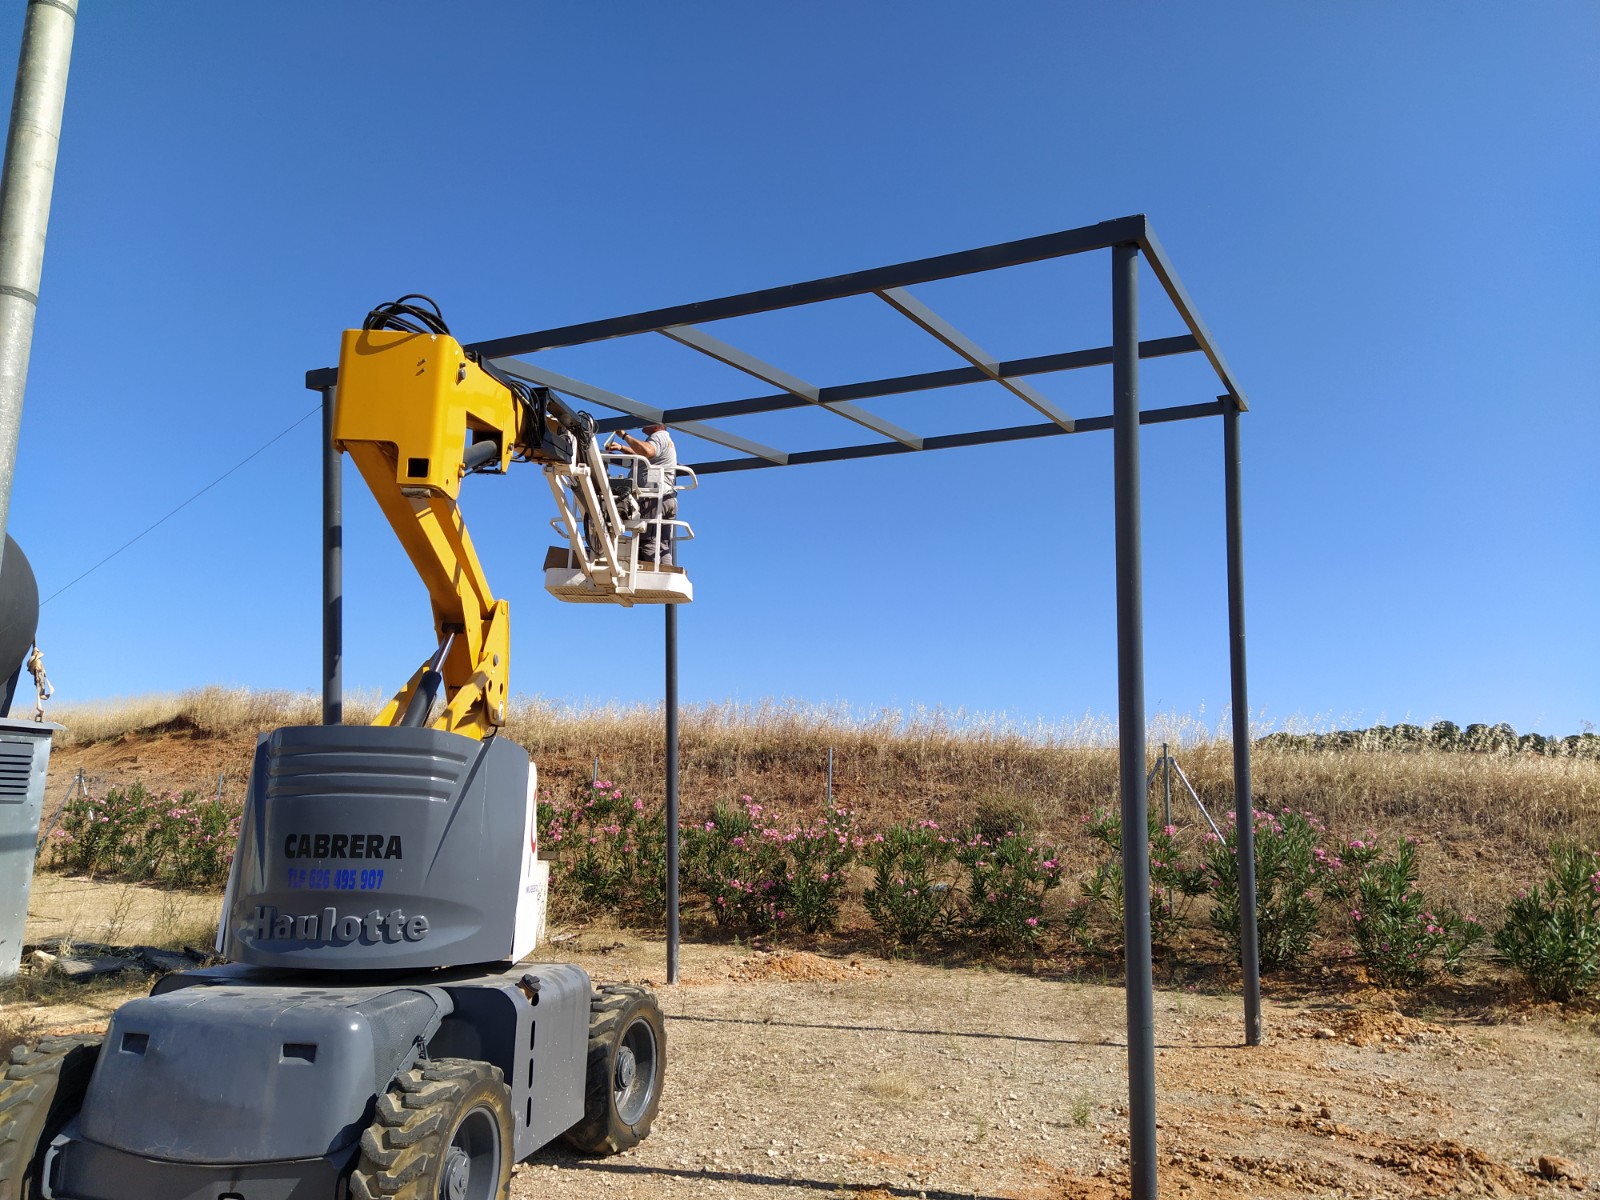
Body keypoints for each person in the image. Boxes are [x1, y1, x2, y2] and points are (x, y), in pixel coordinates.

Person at [608, 423, 677, 568]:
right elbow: (640, 454)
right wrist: (621, 448)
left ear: (658, 425)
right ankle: (667, 573)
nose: (643, 424)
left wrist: (624, 436)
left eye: (648, 421)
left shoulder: (658, 436)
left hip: (653, 498)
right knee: (662, 544)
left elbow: (647, 451)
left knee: (648, 541)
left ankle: (654, 577)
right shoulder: (666, 440)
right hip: (667, 498)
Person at [26, 644, 52, 722]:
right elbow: (36, 670)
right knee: (40, 690)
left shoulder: (38, 661)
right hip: (39, 677)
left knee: (42, 690)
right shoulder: (37, 661)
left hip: (41, 677)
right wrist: (37, 677)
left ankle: (40, 707)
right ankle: (39, 707)